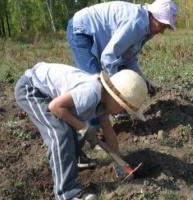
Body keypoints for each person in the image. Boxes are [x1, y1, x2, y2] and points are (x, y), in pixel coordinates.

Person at [14, 62, 148, 200]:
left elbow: (109, 133)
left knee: (77, 125)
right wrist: (83, 126)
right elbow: (55, 106)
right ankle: (66, 192)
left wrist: (120, 164)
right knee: (61, 133)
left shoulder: (104, 100)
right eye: (124, 108)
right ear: (115, 98)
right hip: (32, 89)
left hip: (51, 96)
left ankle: (76, 158)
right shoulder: (90, 93)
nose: (123, 112)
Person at [66, 0, 179, 163]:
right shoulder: (136, 24)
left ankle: (114, 113)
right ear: (154, 17)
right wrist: (116, 89)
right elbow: (109, 57)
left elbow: (126, 57)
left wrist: (142, 77)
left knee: (108, 88)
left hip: (93, 34)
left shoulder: (146, 28)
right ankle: (96, 133)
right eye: (163, 25)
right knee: (94, 83)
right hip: (81, 31)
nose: (162, 31)